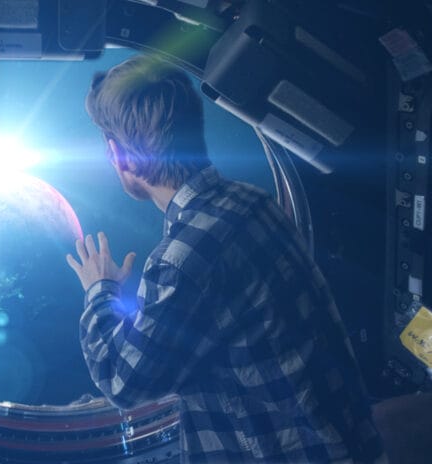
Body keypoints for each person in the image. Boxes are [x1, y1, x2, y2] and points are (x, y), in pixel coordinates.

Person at [65, 55, 385, 463]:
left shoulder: (182, 258)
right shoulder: (256, 201)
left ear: (119, 155)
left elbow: (123, 383)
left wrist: (100, 289)